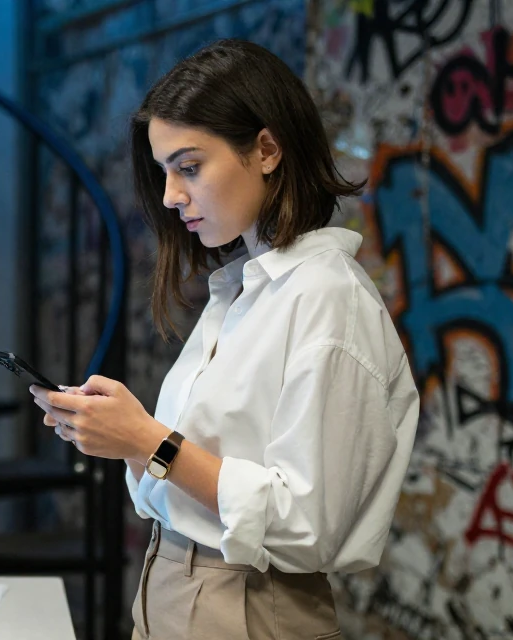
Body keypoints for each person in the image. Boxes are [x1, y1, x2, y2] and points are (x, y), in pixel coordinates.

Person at [30, 39, 420, 640]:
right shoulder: (243, 288)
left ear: (266, 149)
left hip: (245, 603)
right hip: (170, 583)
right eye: (164, 172)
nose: (169, 196)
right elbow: (203, 474)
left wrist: (148, 439)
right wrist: (124, 438)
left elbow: (305, 526)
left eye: (189, 167)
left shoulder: (324, 296)